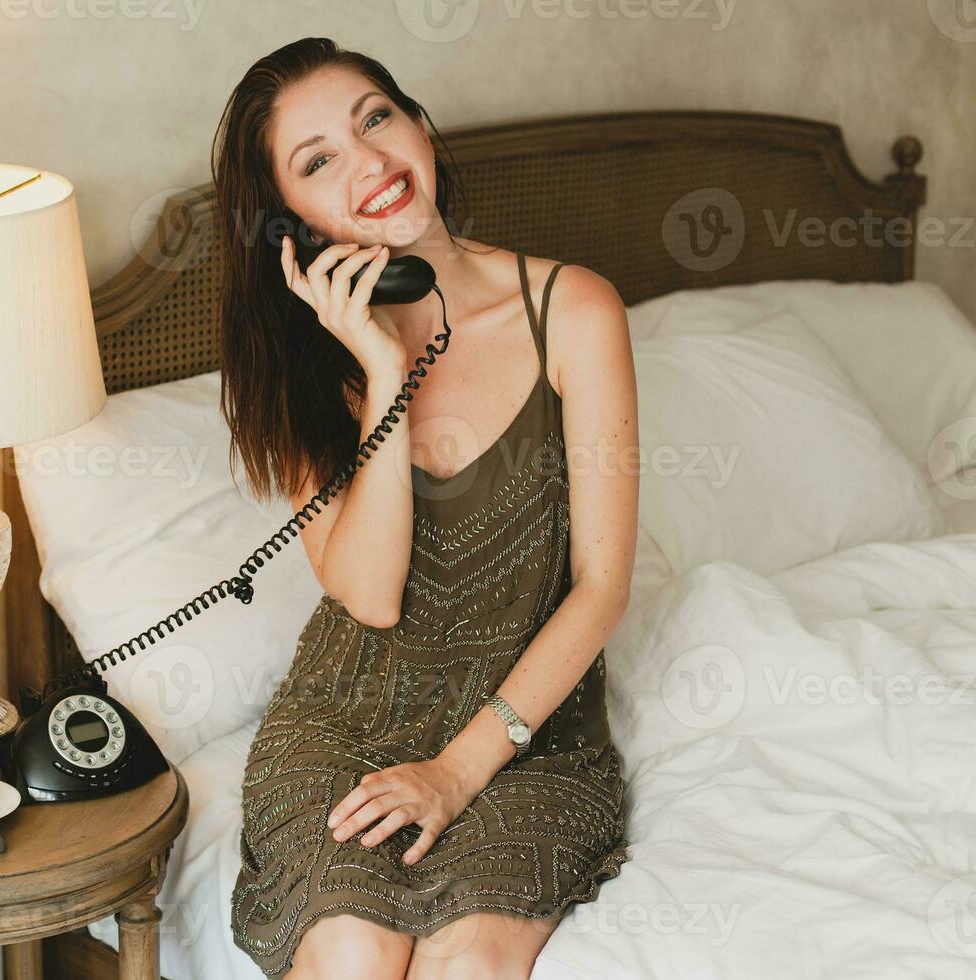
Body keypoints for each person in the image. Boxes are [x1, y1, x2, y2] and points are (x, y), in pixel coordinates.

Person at [215, 38, 639, 979]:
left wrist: (457, 772)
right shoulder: (302, 374)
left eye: (377, 118)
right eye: (318, 160)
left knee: (470, 965)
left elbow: (602, 585)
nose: (368, 162)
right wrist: (386, 371)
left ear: (418, 124)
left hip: (528, 741)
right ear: (288, 226)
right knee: (354, 956)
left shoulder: (573, 309)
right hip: (347, 724)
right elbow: (369, 596)